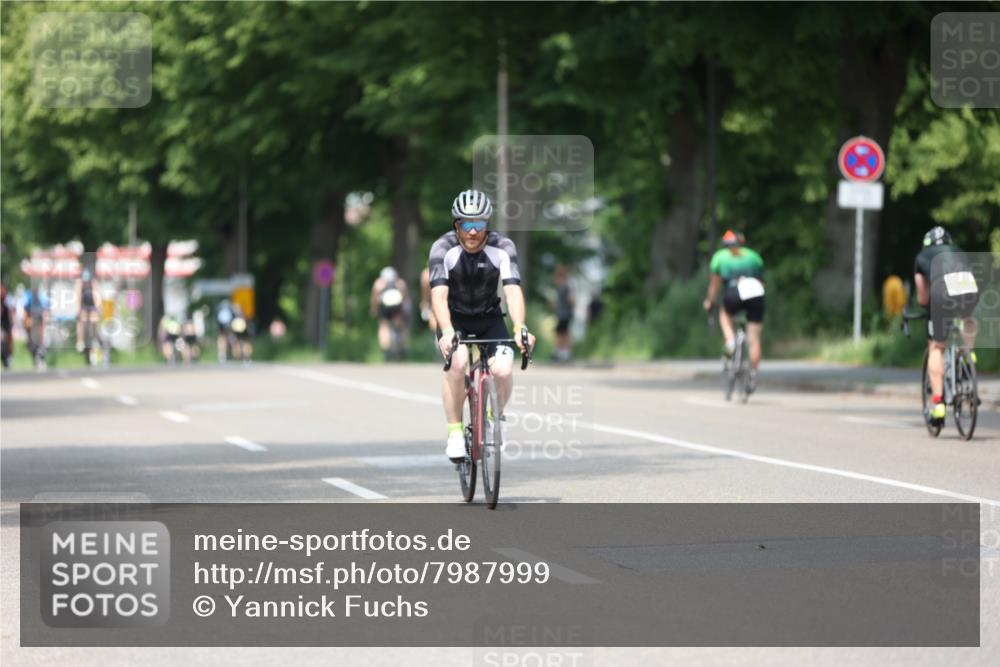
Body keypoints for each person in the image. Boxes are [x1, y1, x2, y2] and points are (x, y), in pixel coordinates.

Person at [428, 189, 535, 462]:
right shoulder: (442, 248)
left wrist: (520, 327)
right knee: (458, 363)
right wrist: (448, 331)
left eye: (480, 225)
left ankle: (493, 418)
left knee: (503, 368)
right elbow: (438, 295)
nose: (473, 232)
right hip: (454, 319)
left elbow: (512, 291)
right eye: (467, 224)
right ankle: (454, 433)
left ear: (488, 225)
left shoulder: (503, 247)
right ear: (456, 225)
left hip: (489, 317)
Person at [913, 226, 979, 424]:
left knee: (936, 347)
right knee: (968, 319)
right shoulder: (958, 250)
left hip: (941, 292)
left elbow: (923, 298)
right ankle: (968, 356)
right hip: (967, 287)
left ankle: (938, 404)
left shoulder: (922, 256)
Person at [703, 230, 766, 391]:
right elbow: (761, 281)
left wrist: (710, 301)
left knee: (725, 314)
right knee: (754, 338)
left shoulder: (720, 257)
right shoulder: (754, 257)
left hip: (734, 291)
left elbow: (715, 284)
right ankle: (752, 375)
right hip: (756, 292)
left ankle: (730, 340)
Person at [369, 266, 409, 361]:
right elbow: (405, 297)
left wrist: (373, 309)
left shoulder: (379, 283)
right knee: (401, 325)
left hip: (386, 306)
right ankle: (402, 345)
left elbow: (375, 299)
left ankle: (386, 349)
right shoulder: (400, 282)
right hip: (397, 306)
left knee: (384, 326)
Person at [550, 264, 575, 362]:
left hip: (565, 313)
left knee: (563, 333)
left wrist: (563, 304)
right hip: (562, 313)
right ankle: (562, 351)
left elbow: (571, 300)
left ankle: (564, 352)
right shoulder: (562, 287)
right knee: (562, 332)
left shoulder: (566, 286)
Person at [23, 284, 51, 369]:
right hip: (32, 320)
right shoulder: (28, 295)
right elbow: (25, 311)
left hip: (40, 320)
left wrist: (45, 321)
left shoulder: (43, 296)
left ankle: (41, 355)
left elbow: (46, 312)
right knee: (30, 335)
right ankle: (34, 352)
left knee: (43, 335)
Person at [75, 268, 102, 353]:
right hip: (84, 304)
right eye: (85, 281)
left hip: (92, 303)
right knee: (81, 321)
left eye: (87, 281)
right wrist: (78, 310)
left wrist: (98, 308)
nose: (86, 283)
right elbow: (78, 298)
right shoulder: (79, 284)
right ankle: (80, 341)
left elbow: (97, 297)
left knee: (94, 319)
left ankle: (94, 339)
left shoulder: (94, 283)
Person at [1, 280, 13, 369]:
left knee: (8, 340)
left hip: (6, 324)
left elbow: (10, 313)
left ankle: (8, 358)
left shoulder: (8, 300)